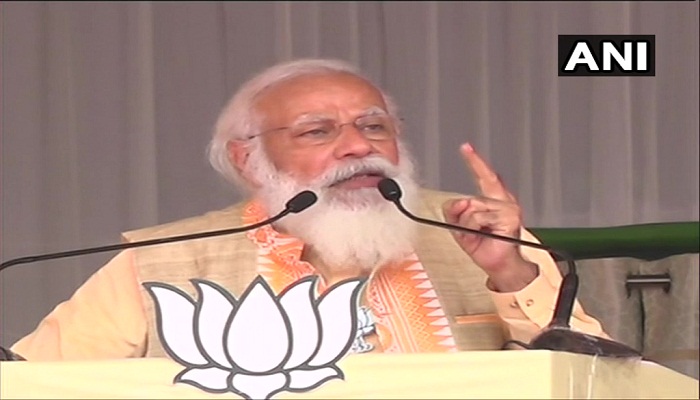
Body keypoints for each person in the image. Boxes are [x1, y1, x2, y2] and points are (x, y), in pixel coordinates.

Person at [11, 58, 605, 360]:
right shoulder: (162, 260)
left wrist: (511, 272)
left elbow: (595, 378)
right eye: (318, 132)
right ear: (248, 159)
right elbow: (35, 384)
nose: (358, 147)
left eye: (374, 126)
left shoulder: (470, 227)